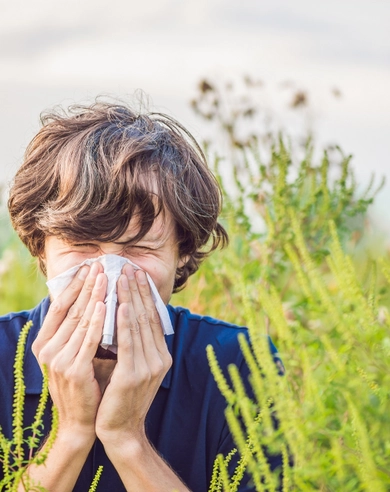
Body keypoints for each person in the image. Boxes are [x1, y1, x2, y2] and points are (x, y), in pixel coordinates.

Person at [0, 101, 282, 491]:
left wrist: (127, 439)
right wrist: (72, 433)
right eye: (83, 244)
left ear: (181, 253)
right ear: (40, 246)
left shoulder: (241, 367)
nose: (109, 275)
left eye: (139, 249)